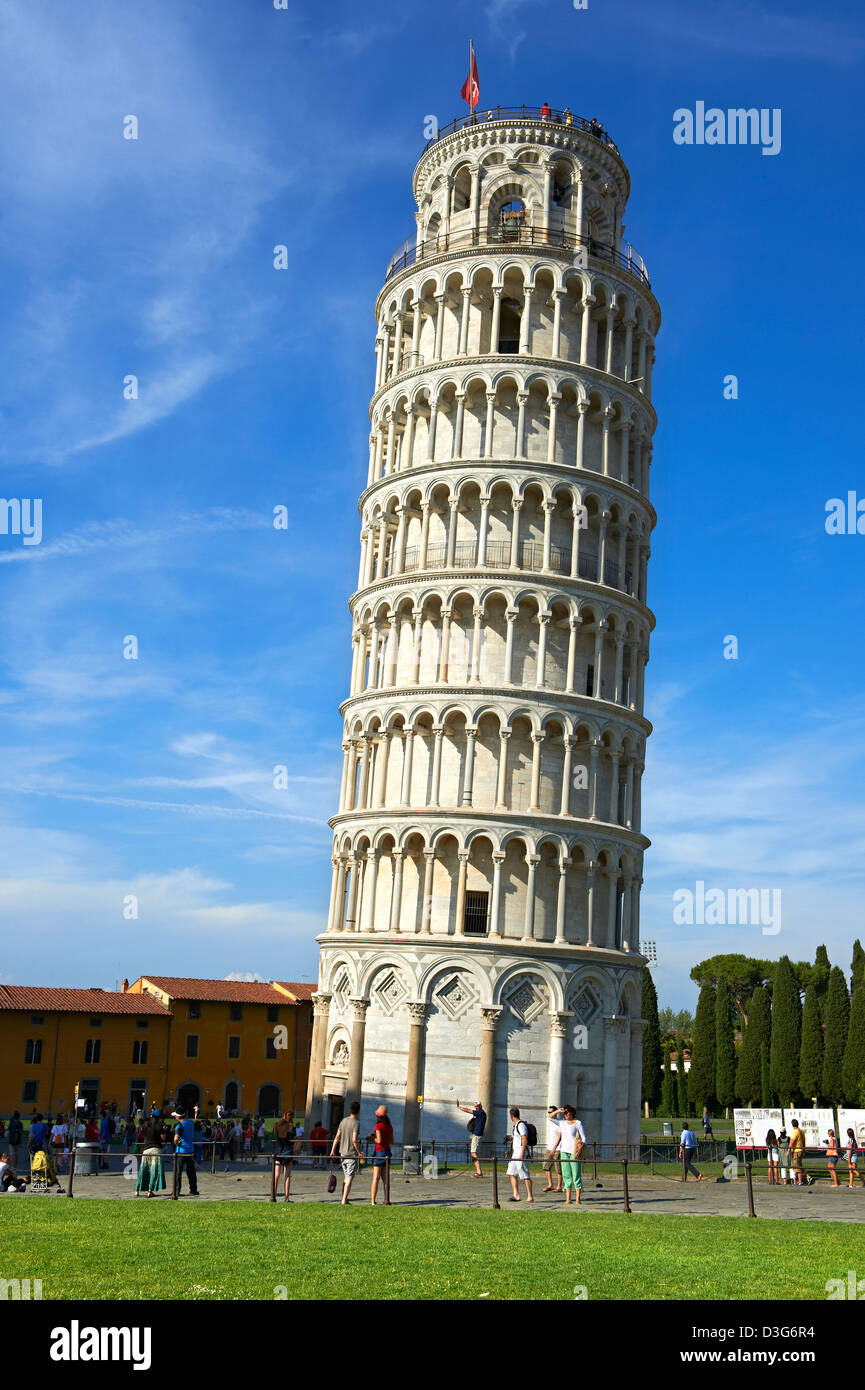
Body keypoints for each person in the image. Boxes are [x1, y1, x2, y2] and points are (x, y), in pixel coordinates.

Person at [551, 1105, 586, 1205]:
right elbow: (549, 1117)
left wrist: (580, 1148)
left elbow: (583, 1138)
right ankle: (568, 1198)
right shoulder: (562, 1123)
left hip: (574, 1152)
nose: (565, 1114)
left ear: (572, 1113)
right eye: (564, 1113)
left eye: (567, 1112)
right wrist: (558, 1111)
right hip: (564, 1151)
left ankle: (578, 1198)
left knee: (576, 1174)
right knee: (566, 1175)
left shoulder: (577, 1123)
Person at [330, 1101, 364, 1204]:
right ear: (358, 1112)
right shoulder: (356, 1123)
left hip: (342, 1153)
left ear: (350, 1110)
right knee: (349, 1177)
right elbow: (354, 1140)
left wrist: (332, 1150)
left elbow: (337, 1137)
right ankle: (344, 1199)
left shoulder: (343, 1121)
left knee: (346, 1177)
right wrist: (359, 1152)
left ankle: (344, 1198)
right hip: (351, 1153)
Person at [135, 1114, 166, 1196]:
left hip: (146, 1149)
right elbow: (163, 1137)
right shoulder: (159, 1125)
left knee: (142, 1170)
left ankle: (137, 1190)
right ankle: (150, 1191)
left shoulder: (146, 1124)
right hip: (155, 1149)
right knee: (154, 1171)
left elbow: (144, 1134)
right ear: (159, 1118)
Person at [507, 1107, 533, 1203]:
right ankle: (516, 1195)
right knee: (511, 1173)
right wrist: (511, 1138)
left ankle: (530, 1196)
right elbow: (519, 1139)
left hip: (520, 1153)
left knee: (525, 1175)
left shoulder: (521, 1125)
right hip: (515, 1154)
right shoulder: (517, 1125)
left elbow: (524, 1140)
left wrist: (522, 1154)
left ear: (511, 1116)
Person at [171, 1108, 199, 1196]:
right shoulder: (190, 1123)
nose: (174, 1116)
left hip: (181, 1151)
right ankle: (193, 1190)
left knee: (178, 1172)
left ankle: (176, 1191)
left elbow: (175, 1139)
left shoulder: (179, 1126)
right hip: (190, 1150)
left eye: (175, 1115)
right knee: (191, 1172)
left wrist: (177, 1143)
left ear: (178, 1117)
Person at [370, 1105, 393, 1205]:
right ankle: (386, 1199)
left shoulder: (378, 1126)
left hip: (379, 1152)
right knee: (385, 1179)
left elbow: (379, 1140)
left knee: (376, 1178)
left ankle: (373, 1201)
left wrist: (372, 1138)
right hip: (387, 1151)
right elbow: (392, 1140)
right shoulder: (389, 1126)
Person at [457, 1098, 486, 1177]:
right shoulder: (480, 1113)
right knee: (473, 1153)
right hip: (476, 1134)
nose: (476, 1107)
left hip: (477, 1135)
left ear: (480, 1106)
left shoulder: (480, 1112)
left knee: (474, 1153)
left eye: (477, 1106)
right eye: (475, 1106)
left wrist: (459, 1107)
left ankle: (479, 1172)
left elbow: (468, 1110)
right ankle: (479, 1171)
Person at [274, 1110, 296, 1201]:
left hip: (279, 1150)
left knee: (276, 1175)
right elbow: (293, 1139)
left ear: (283, 1116)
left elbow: (274, 1135)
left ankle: (273, 1195)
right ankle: (286, 1197)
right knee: (287, 1175)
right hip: (288, 1152)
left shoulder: (276, 1125)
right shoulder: (291, 1127)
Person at [542, 1105, 564, 1193]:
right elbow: (548, 1116)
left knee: (558, 1169)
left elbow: (560, 1137)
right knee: (546, 1167)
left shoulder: (561, 1122)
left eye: (551, 1112)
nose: (549, 1114)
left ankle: (559, 1186)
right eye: (549, 1112)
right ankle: (550, 1184)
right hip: (549, 1148)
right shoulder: (551, 1121)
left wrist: (554, 1148)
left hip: (557, 1149)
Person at [786, 1119, 808, 1186]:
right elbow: (804, 1141)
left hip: (796, 1151)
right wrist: (803, 1149)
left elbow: (792, 1142)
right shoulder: (801, 1131)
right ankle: (808, 1176)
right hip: (801, 1149)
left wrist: (788, 1150)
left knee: (797, 1166)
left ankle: (800, 1181)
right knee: (800, 1165)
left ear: (792, 1125)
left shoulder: (795, 1132)